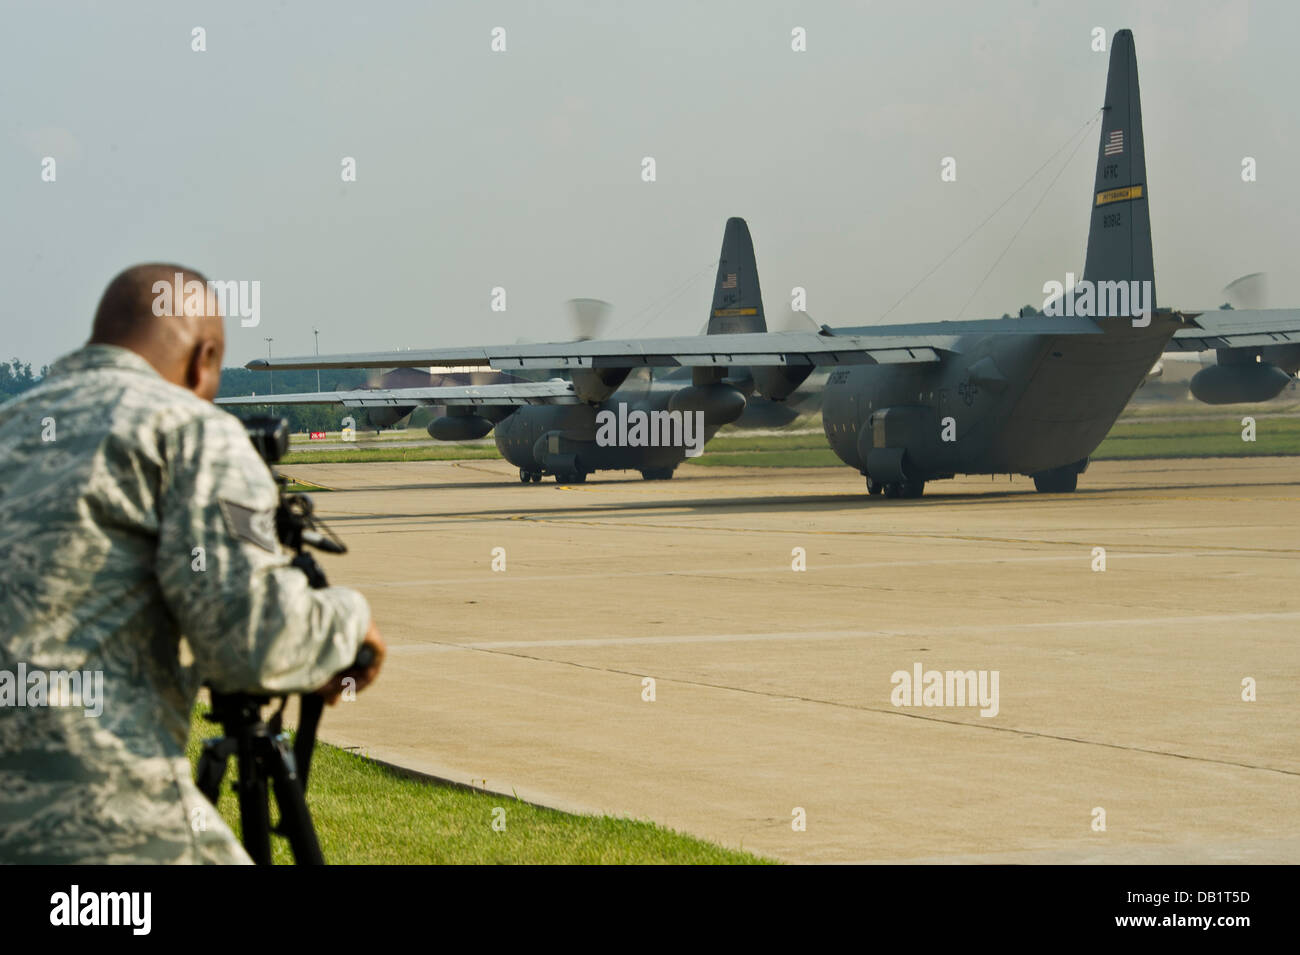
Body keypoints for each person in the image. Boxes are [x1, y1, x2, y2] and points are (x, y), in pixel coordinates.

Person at [0, 263, 384, 863]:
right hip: (93, 826)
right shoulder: (189, 430)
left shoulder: (12, 427)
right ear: (205, 359)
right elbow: (250, 640)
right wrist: (349, 621)